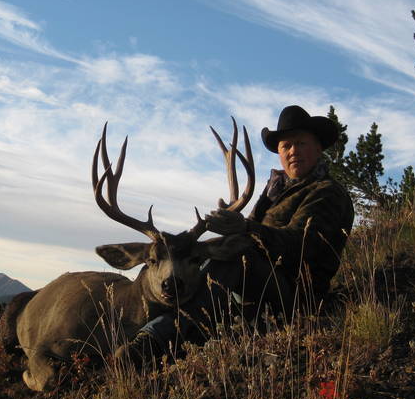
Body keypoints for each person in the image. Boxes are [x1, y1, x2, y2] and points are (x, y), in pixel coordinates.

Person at [117, 105, 355, 366]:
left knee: (237, 255)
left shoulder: (327, 192)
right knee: (208, 254)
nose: (293, 151)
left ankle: (155, 339)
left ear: (318, 149)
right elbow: (244, 234)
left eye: (301, 143)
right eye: (286, 146)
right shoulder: (274, 192)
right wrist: (218, 233)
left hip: (298, 297)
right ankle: (167, 332)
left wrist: (244, 228)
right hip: (254, 290)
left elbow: (301, 244)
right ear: (279, 153)